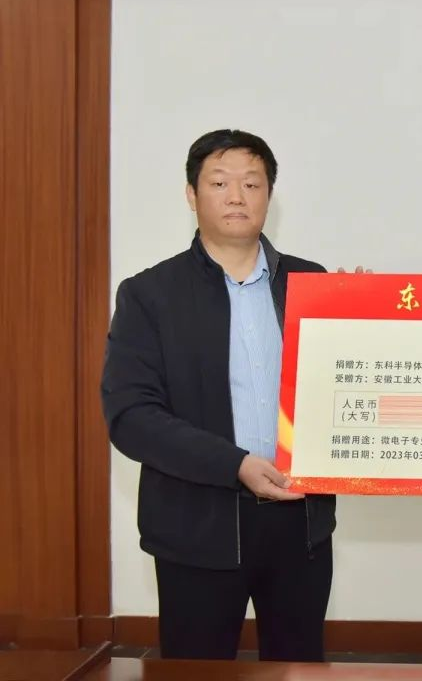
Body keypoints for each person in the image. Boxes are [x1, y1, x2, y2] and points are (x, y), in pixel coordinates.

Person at [101, 129, 346, 661]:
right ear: (192, 195)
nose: (237, 196)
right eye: (219, 183)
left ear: (269, 196)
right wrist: (235, 464)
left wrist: (366, 316)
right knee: (197, 668)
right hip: (196, 523)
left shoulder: (312, 283)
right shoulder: (149, 294)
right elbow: (132, 417)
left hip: (300, 522)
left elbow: (342, 389)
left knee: (299, 665)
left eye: (252, 184)